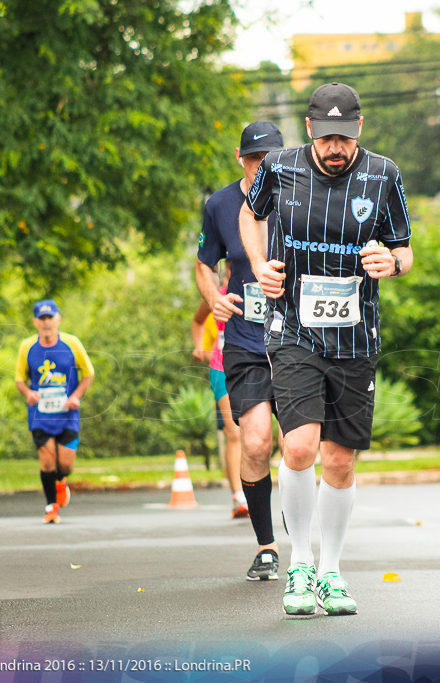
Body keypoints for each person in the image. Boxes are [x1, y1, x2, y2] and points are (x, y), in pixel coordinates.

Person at [239, 84, 413, 615]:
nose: (335, 146)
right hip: (293, 327)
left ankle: (332, 574)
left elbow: (404, 248)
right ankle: (300, 563)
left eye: (345, 135)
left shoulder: (384, 175)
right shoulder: (280, 168)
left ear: (359, 128)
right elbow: (251, 215)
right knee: (298, 449)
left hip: (356, 336)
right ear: (310, 129)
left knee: (339, 460)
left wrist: (393, 264)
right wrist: (259, 265)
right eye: (326, 136)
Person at [196, 121, 285, 581]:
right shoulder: (220, 204)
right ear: (240, 157)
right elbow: (203, 265)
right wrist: (212, 295)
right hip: (246, 342)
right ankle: (267, 547)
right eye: (255, 159)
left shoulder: (301, 196)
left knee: (300, 446)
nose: (262, 166)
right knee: (255, 442)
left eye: (270, 158)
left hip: (299, 340)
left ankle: (308, 546)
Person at [15, 300, 95, 524]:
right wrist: (28, 393)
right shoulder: (27, 347)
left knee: (66, 465)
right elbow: (19, 379)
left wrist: (75, 396)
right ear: (35, 322)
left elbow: (88, 374)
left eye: (50, 318)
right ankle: (51, 507)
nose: (46, 323)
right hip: (40, 415)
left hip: (67, 413)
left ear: (58, 319)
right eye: (42, 319)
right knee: (47, 461)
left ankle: (61, 480)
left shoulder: (72, 343)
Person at [190, 278, 248, 519]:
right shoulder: (217, 294)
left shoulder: (260, 289)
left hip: (254, 367)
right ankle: (239, 497)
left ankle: (253, 490)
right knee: (233, 433)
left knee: (254, 434)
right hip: (221, 368)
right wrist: (199, 346)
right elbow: (197, 321)